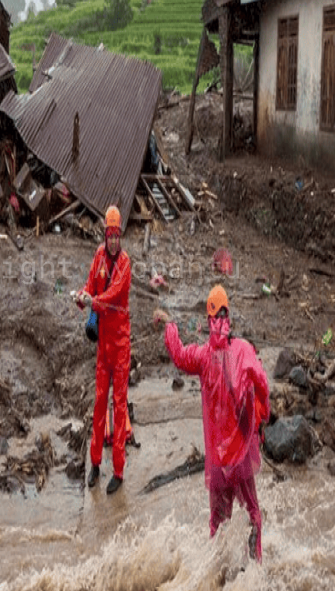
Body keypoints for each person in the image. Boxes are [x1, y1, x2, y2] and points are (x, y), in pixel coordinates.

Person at [153, 285, 270, 561]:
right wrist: (261, 416)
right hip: (241, 456)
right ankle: (256, 561)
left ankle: (216, 572)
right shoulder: (243, 349)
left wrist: (170, 325)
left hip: (218, 461)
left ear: (208, 319)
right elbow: (262, 384)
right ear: (229, 317)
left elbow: (179, 355)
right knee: (253, 511)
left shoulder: (203, 357)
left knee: (217, 522)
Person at [76, 205, 132, 495]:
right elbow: (91, 285)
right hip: (103, 348)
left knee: (119, 406)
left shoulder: (125, 263)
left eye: (116, 236)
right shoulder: (98, 255)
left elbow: (111, 294)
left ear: (120, 235)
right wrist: (81, 296)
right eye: (109, 236)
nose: (112, 241)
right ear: (105, 235)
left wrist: (92, 301)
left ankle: (119, 470)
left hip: (121, 346)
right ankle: (95, 463)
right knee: (99, 402)